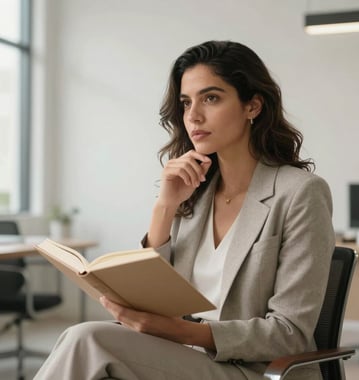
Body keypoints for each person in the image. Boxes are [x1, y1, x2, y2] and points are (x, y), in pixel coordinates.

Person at [34, 40, 335, 380]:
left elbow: (289, 333)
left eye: (211, 98)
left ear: (252, 106)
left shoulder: (300, 193)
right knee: (84, 343)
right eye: (186, 102)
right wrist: (165, 207)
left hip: (255, 370)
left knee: (87, 340)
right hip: (186, 359)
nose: (193, 116)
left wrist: (179, 332)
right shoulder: (195, 193)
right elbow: (156, 299)